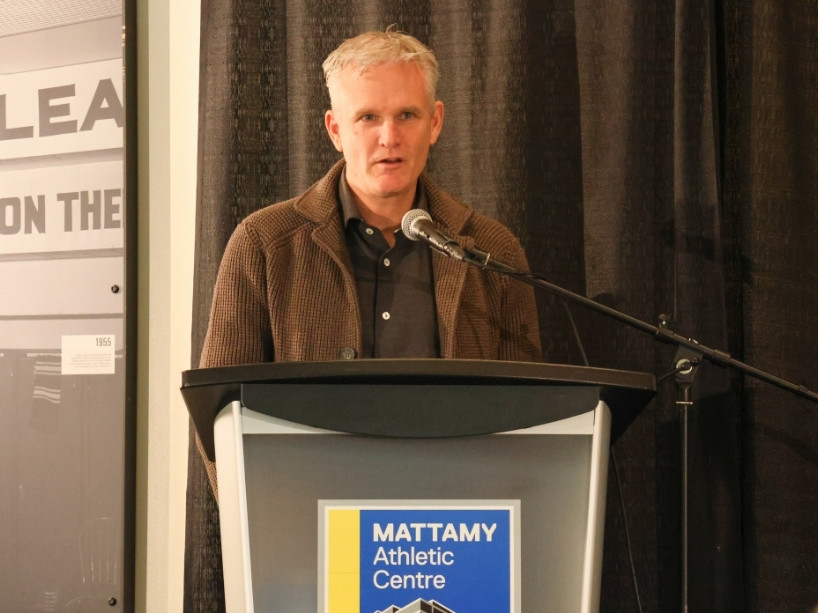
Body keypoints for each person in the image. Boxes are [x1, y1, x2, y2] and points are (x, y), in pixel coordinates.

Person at [198, 30, 542, 493]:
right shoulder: (263, 244)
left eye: (407, 115)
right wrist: (261, 531)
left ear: (435, 122)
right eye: (367, 117)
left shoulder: (491, 252)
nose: (389, 137)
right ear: (336, 130)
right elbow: (219, 416)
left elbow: (528, 421)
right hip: (311, 533)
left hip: (454, 535)